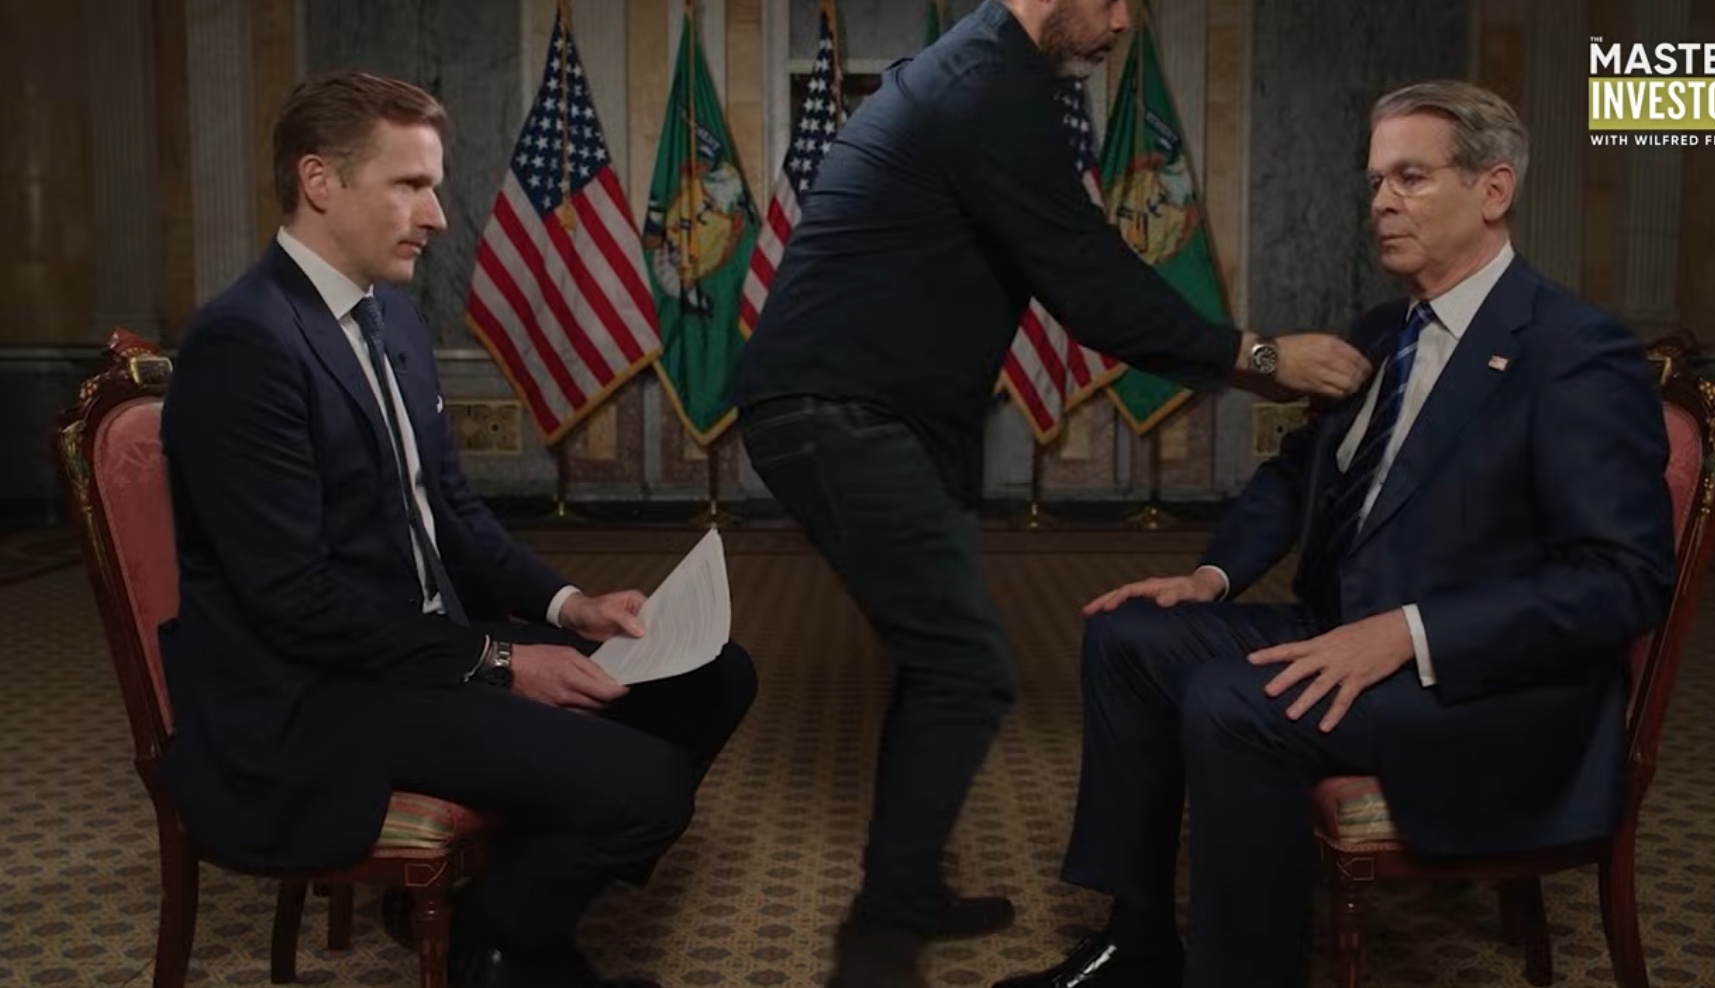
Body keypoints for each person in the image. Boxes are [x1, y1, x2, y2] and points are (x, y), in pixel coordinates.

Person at [729, 1, 1371, 985]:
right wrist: (1257, 356)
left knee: (935, 657)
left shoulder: (986, 73)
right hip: (837, 411)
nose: (1120, 23)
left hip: (874, 412)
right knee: (965, 663)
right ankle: (876, 953)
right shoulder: (983, 86)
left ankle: (905, 888)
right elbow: (1089, 281)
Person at [994, 79, 1678, 988]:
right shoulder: (1385, 330)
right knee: (1130, 637)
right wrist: (1210, 579)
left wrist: (1407, 634)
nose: (1382, 202)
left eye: (1411, 177)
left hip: (1486, 688)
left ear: (1494, 190)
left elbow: (1623, 580)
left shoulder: (1573, 351)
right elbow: (1297, 474)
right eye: (1375, 182)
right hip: (1345, 626)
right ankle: (1141, 940)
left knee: (1232, 701)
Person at [158, 71, 755, 988]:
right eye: (410, 184)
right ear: (320, 181)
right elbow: (294, 602)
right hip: (319, 695)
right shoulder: (243, 344)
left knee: (715, 677)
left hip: (423, 647)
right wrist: (505, 662)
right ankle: (505, 947)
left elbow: (453, 513)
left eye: (433, 187)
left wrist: (571, 606)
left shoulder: (392, 314)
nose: (437, 216)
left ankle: (493, 906)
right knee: (648, 791)